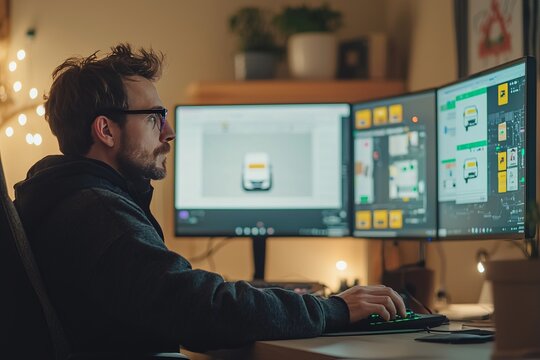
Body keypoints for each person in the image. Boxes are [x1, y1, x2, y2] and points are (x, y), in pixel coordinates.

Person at [14, 44, 406, 354]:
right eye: (154, 117)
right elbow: (202, 309)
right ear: (106, 130)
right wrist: (334, 308)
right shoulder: (96, 212)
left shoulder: (70, 198)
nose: (168, 132)